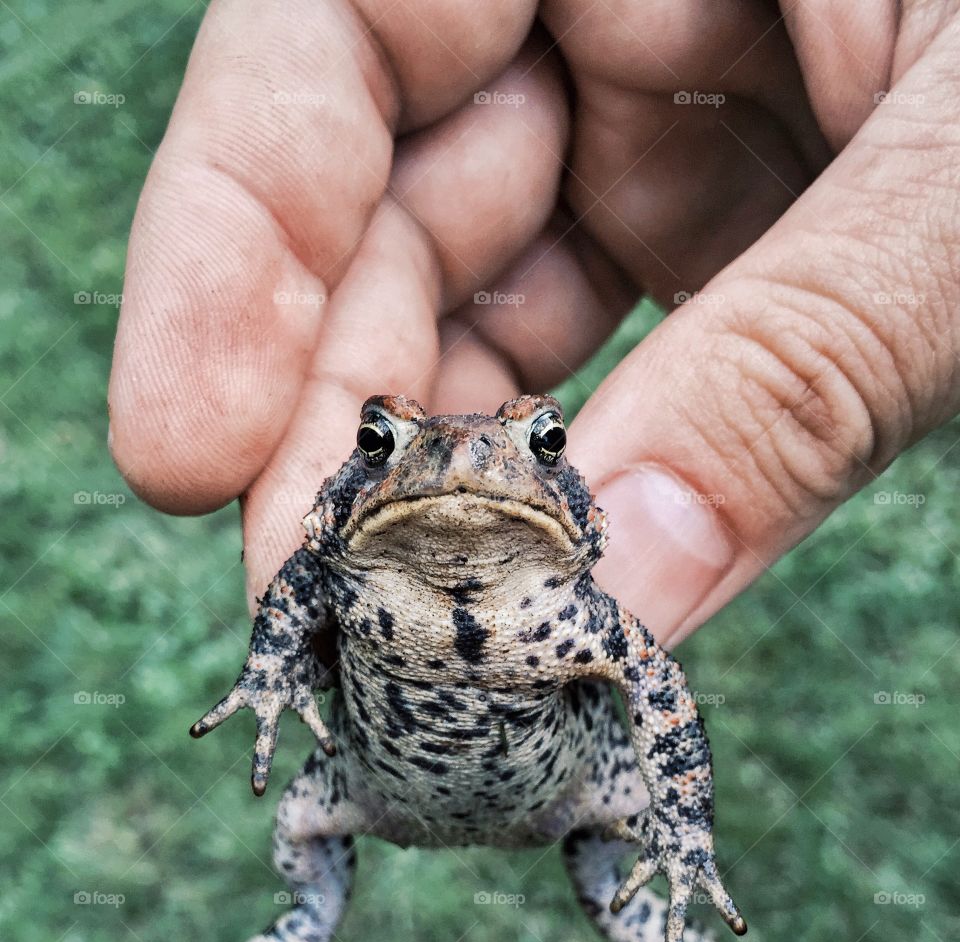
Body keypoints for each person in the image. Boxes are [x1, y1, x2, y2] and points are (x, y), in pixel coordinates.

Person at [108, 1, 960, 644]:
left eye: (544, 444)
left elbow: (654, 690)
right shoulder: (337, 551)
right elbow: (299, 586)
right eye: (378, 441)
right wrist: (275, 673)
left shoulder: (582, 569)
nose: (469, 463)